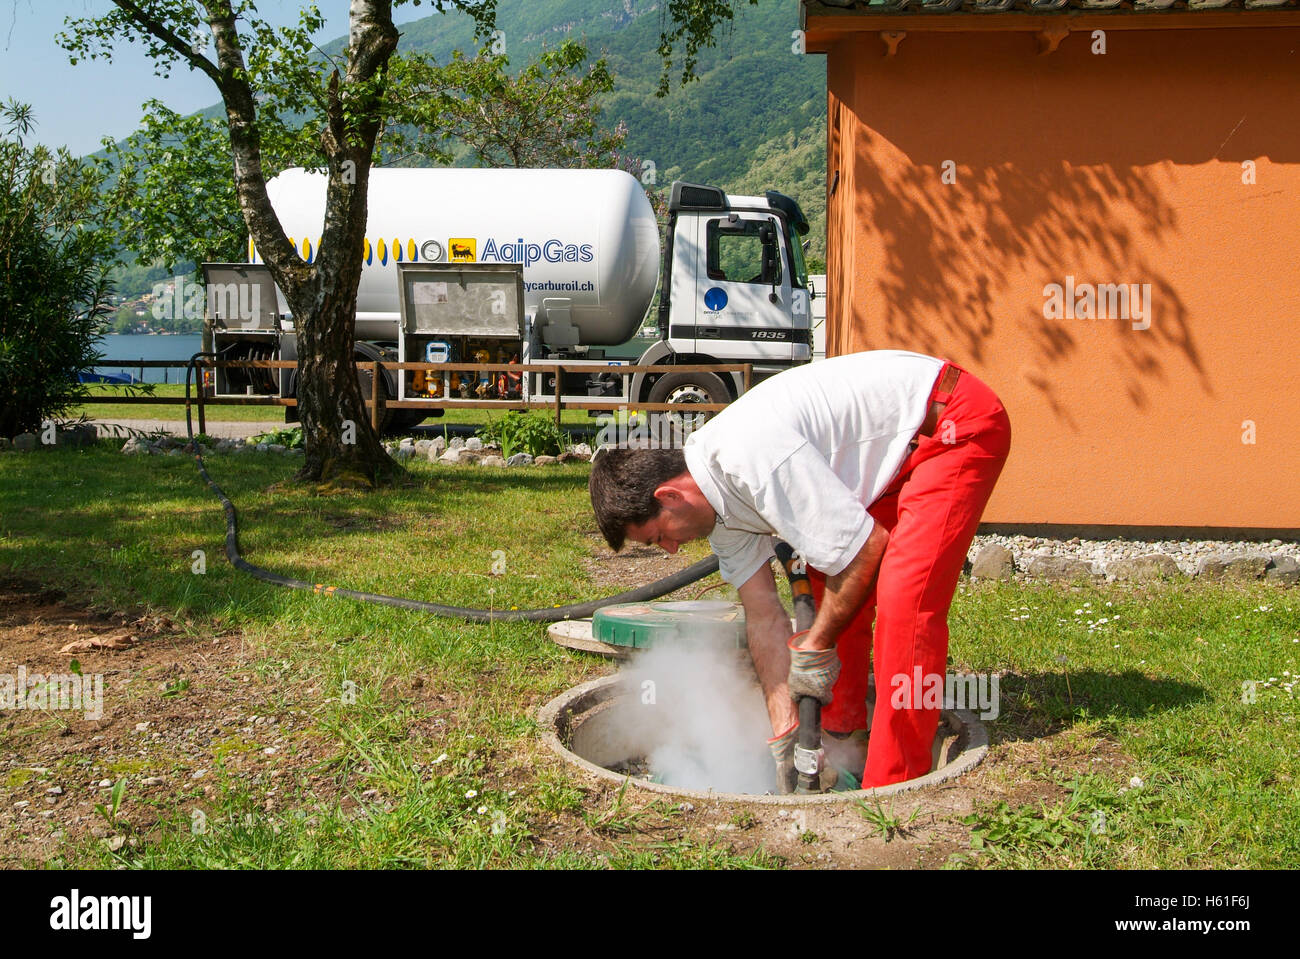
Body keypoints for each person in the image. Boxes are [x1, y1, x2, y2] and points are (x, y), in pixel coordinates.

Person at [588, 350, 1011, 792]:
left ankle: (893, 782)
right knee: (837, 589)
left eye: (659, 537)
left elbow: (867, 549)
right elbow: (764, 614)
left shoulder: (748, 457)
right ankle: (840, 737)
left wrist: (816, 642)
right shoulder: (720, 511)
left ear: (670, 496)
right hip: (894, 455)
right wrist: (783, 723)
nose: (672, 549)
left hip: (951, 424)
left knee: (906, 601)